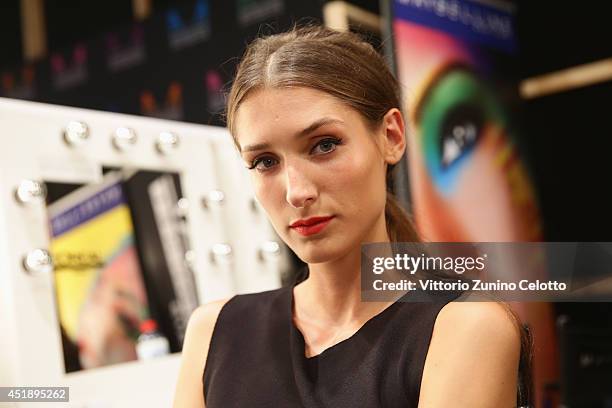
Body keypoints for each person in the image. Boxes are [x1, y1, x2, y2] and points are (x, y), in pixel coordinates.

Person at [173, 25, 530, 408]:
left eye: (324, 145)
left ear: (391, 136)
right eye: (265, 162)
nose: (296, 192)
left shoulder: (464, 327)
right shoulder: (215, 332)